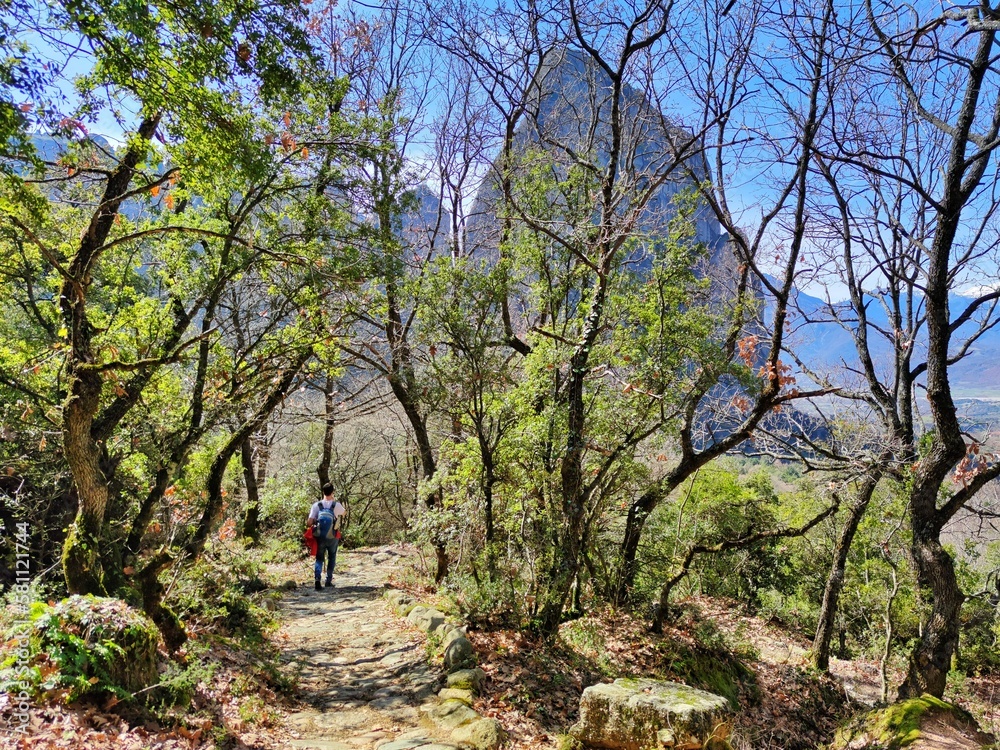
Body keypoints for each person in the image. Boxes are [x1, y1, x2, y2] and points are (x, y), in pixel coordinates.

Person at [307, 483, 346, 590]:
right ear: (332, 491)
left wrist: (316, 520)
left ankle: (317, 579)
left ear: (323, 491)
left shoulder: (316, 505)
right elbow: (344, 513)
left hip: (319, 536)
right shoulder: (336, 505)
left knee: (319, 558)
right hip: (332, 536)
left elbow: (309, 523)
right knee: (332, 556)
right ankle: (328, 580)